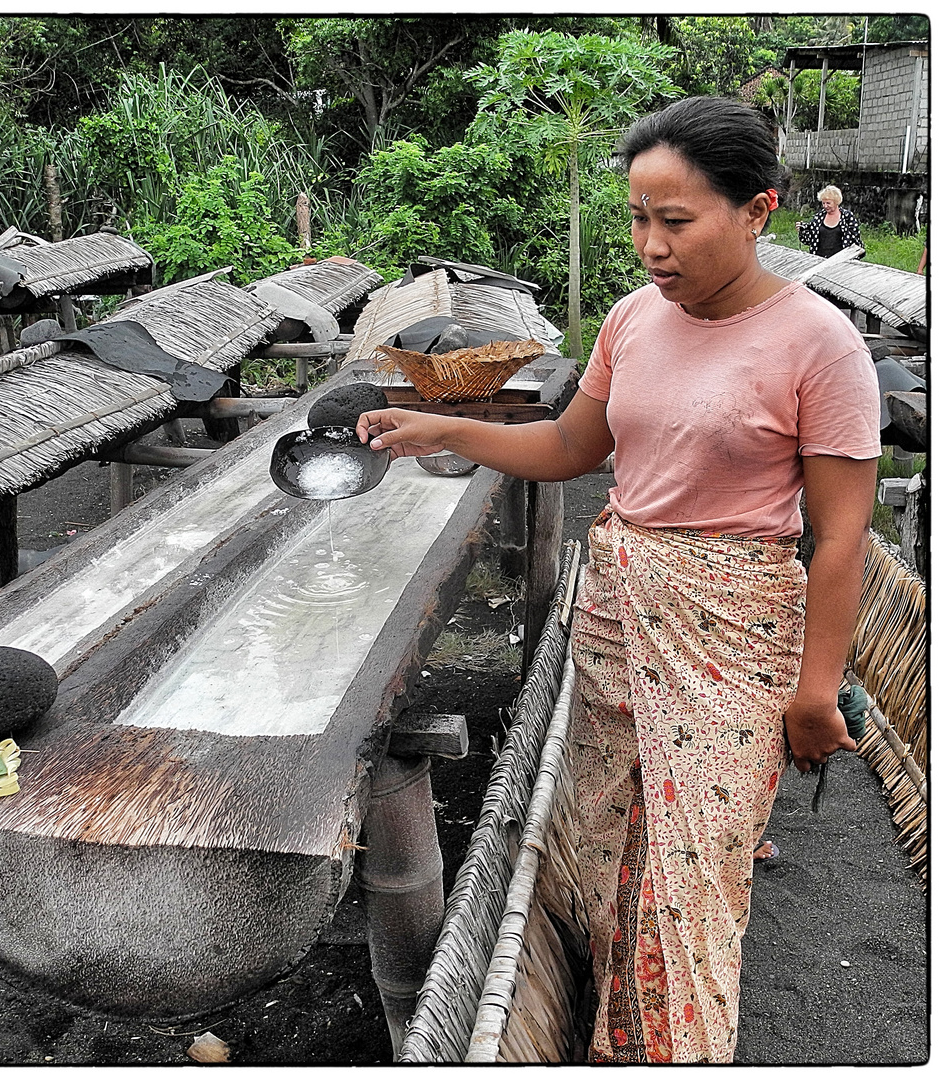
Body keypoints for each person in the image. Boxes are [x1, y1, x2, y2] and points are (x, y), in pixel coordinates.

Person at [356, 95, 880, 1063]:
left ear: (758, 209)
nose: (651, 245)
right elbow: (568, 447)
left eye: (676, 221)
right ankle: (616, 1030)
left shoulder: (821, 347)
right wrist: (446, 430)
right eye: (640, 218)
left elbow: (840, 539)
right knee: (599, 837)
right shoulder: (634, 320)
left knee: (694, 871)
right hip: (617, 601)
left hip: (732, 624)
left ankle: (677, 1051)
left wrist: (815, 692)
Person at [796, 184, 863, 257]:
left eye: (828, 203)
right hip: (819, 259)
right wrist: (802, 229)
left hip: (841, 261)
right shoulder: (819, 217)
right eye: (823, 203)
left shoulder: (848, 217)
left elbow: (855, 241)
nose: (825, 206)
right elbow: (810, 240)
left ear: (836, 202)